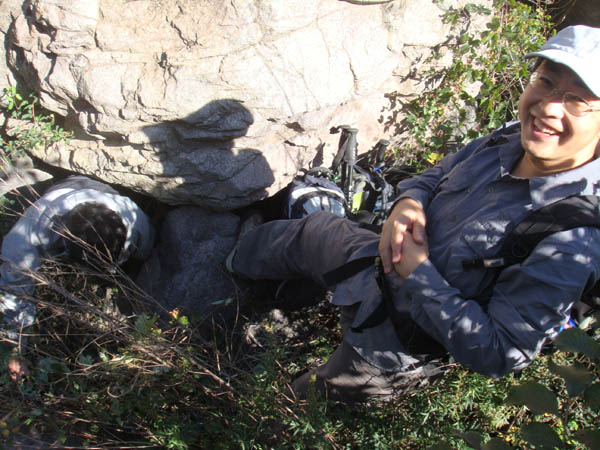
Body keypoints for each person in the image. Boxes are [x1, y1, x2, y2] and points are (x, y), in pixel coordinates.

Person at [226, 25, 600, 403]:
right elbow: (437, 175)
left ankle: (256, 411)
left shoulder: (570, 239)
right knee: (313, 233)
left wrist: (418, 273)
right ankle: (232, 263)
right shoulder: (512, 135)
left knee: (309, 399)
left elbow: (498, 352)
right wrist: (409, 202)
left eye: (577, 100)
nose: (549, 107)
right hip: (376, 261)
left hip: (395, 343)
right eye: (546, 81)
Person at [0, 175, 156, 381]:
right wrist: (15, 348)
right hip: (65, 190)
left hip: (102, 192)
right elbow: (15, 292)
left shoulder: (133, 218)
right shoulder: (26, 237)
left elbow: (148, 249)